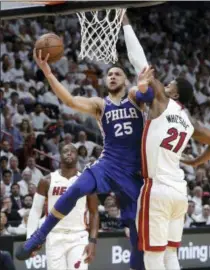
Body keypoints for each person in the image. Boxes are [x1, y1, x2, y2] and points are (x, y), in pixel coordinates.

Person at [16, 14, 150, 270]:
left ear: (125, 80)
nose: (112, 76)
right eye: (109, 73)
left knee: (135, 231)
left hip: (134, 171)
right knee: (76, 188)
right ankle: (39, 235)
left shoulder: (135, 98)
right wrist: (47, 72)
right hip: (108, 163)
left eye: (117, 73)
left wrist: (143, 82)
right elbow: (69, 101)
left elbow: (145, 85)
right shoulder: (100, 105)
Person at [135, 66, 210, 270]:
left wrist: (144, 76)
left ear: (175, 93)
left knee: (153, 255)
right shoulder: (189, 121)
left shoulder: (162, 102)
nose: (166, 84)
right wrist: (195, 162)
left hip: (157, 188)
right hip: (179, 192)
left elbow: (145, 70)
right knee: (170, 254)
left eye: (171, 83)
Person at [26, 144, 99, 270]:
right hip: (54, 236)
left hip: (79, 236)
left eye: (73, 151)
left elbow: (94, 213)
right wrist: (30, 239)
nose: (69, 153)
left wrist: (92, 241)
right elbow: (35, 211)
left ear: (77, 156)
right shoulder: (46, 181)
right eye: (66, 151)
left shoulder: (86, 181)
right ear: (60, 156)